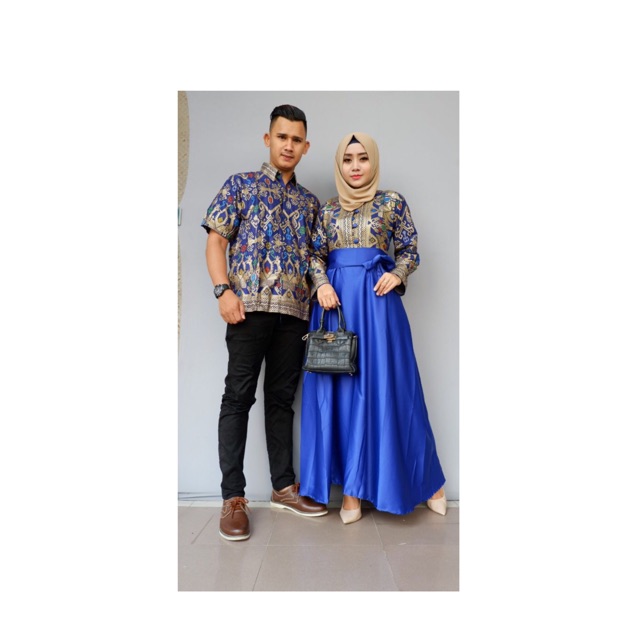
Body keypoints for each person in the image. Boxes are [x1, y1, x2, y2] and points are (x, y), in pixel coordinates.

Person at [300, 132, 447, 524]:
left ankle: (429, 483)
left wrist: (398, 274)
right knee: (345, 394)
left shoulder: (392, 202)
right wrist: (322, 283)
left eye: (363, 158)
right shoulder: (327, 210)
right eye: (347, 159)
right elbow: (314, 254)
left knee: (394, 390)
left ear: (373, 162)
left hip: (379, 308)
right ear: (339, 165)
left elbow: (410, 248)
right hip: (337, 307)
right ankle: (352, 490)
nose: (355, 166)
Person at [202, 105, 328, 542]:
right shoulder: (240, 185)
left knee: (281, 401)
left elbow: (316, 260)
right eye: (281, 137)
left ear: (305, 146)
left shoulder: (310, 203)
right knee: (238, 398)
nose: (288, 145)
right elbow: (215, 241)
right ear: (268, 139)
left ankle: (283, 487)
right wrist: (223, 291)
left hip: (294, 315)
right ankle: (233, 498)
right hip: (247, 310)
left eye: (296, 139)